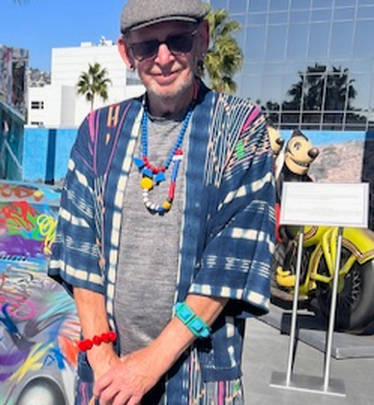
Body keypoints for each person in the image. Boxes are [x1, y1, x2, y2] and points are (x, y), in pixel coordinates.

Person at [47, 1, 276, 404]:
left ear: (202, 39)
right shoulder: (99, 132)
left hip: (197, 378)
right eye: (147, 46)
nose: (164, 58)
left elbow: (231, 261)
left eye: (178, 40)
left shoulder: (240, 128)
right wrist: (104, 361)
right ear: (127, 53)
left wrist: (148, 366)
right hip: (107, 376)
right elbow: (79, 249)